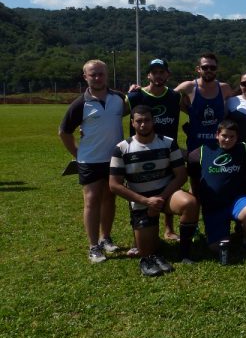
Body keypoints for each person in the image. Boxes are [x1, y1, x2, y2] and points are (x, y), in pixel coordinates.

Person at [109, 105, 199, 276]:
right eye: (139, 121)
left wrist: (160, 198)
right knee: (147, 251)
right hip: (141, 201)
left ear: (153, 121)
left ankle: (185, 253)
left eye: (147, 120)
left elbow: (181, 176)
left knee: (190, 203)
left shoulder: (168, 143)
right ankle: (151, 253)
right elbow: (114, 185)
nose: (143, 124)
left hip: (166, 196)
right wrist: (146, 201)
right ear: (132, 123)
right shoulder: (121, 148)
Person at [59, 59, 128, 263]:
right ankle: (93, 247)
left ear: (107, 75)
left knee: (110, 198)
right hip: (90, 160)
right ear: (85, 77)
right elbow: (64, 132)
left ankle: (105, 238)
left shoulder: (119, 98)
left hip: (114, 159)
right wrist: (77, 153)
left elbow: (131, 110)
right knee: (92, 200)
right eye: (93, 74)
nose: (97, 78)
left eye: (101, 74)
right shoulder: (80, 103)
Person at [127, 57, 183, 240]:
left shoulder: (175, 97)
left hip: (167, 152)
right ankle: (138, 230)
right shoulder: (135, 96)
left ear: (168, 74)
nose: (158, 76)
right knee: (139, 189)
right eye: (154, 72)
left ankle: (169, 229)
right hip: (140, 152)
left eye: (162, 72)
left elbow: (195, 111)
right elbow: (114, 114)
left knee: (169, 185)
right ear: (148, 75)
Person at [187, 120, 246, 261]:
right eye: (224, 136)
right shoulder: (201, 153)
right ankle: (223, 233)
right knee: (216, 247)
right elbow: (193, 177)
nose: (228, 140)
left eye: (232, 137)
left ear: (237, 137)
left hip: (236, 200)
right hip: (213, 206)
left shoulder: (244, 149)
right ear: (217, 135)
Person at [175, 52, 234, 151]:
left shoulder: (225, 88)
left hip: (220, 147)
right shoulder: (189, 87)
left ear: (217, 69)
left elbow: (239, 104)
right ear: (198, 69)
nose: (209, 70)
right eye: (205, 67)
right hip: (195, 148)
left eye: (212, 68)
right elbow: (166, 96)